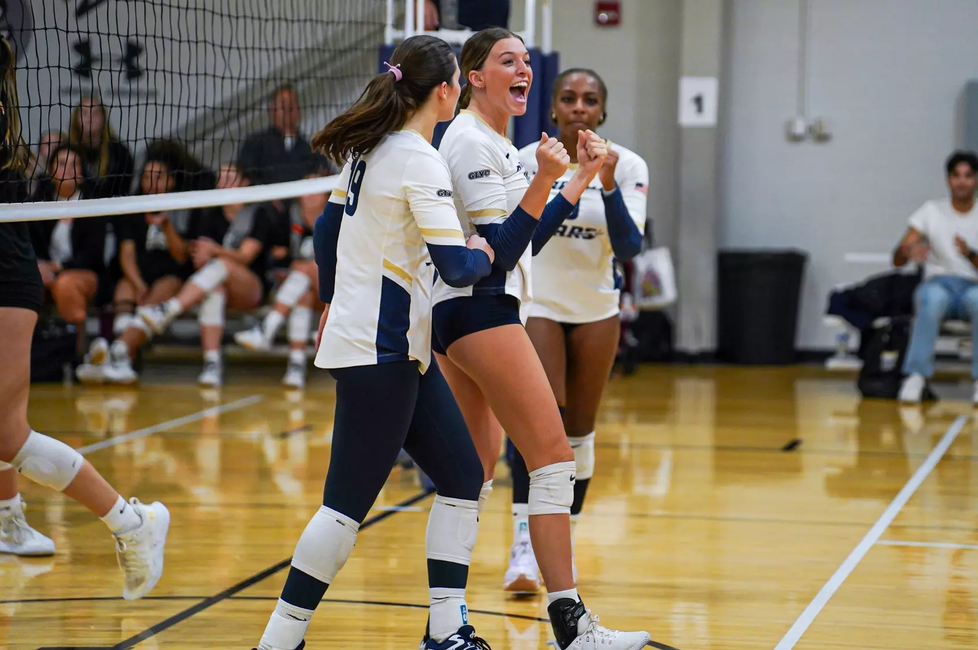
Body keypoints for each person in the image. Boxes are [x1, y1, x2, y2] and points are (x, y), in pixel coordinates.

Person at [252, 34, 496, 650]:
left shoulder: (370, 147)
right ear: (446, 92)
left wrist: (332, 290)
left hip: (392, 348)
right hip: (381, 351)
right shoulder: (419, 158)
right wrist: (484, 252)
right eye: (459, 86)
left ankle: (447, 632)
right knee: (344, 507)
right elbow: (455, 266)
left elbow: (328, 226)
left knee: (464, 477)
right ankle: (279, 640)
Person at [431, 27, 651, 650]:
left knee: (469, 476)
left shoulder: (496, 142)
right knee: (552, 460)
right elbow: (501, 254)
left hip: (476, 314)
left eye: (527, 60)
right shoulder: (474, 141)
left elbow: (522, 236)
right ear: (473, 77)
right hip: (484, 312)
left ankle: (444, 625)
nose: (522, 69)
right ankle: (572, 626)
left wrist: (578, 180)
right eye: (508, 61)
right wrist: (548, 180)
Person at [0, 35, 168, 600]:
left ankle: (132, 523)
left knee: (7, 432)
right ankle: (10, 520)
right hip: (14, 269)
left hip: (7, 275)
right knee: (1, 431)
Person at [507, 68, 648, 590]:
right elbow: (527, 237)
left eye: (590, 100)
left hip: (596, 309)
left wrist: (605, 181)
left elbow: (630, 248)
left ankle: (562, 535)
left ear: (603, 112)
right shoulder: (527, 162)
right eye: (569, 99)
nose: (579, 108)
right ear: (553, 110)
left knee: (579, 432)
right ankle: (523, 547)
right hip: (539, 302)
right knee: (542, 423)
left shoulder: (628, 165)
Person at [137, 163, 272, 387]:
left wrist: (215, 251)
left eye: (229, 178)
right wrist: (203, 256)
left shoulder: (257, 213)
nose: (222, 184)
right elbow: (200, 259)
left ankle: (170, 309)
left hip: (251, 288)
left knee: (225, 264)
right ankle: (212, 364)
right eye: (220, 178)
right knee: (214, 290)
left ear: (244, 183)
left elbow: (245, 256)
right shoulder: (210, 215)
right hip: (221, 285)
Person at [76, 146, 199, 385]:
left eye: (158, 176)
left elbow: (182, 256)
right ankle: (121, 361)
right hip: (139, 273)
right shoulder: (132, 208)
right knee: (124, 285)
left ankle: (116, 351)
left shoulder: (183, 207)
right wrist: (139, 284)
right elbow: (126, 255)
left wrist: (166, 226)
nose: (151, 182)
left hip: (170, 274)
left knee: (166, 286)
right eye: (146, 177)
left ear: (171, 181)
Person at [895, 150, 978, 403]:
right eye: (956, 176)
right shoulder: (931, 211)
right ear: (948, 180)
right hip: (938, 284)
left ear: (976, 180)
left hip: (973, 286)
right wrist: (909, 249)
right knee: (930, 301)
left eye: (968, 176)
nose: (962, 181)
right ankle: (916, 376)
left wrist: (970, 254)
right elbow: (898, 259)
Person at [235, 179, 329, 389]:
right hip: (303, 289)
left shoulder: (335, 221)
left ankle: (267, 328)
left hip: (334, 293)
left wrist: (300, 264)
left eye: (316, 191)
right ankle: (296, 368)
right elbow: (277, 258)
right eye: (306, 191)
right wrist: (290, 263)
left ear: (326, 195)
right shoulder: (289, 218)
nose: (310, 196)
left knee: (306, 268)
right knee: (301, 293)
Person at [30, 144, 108, 355]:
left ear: (82, 172)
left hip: (84, 273)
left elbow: (93, 254)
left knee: (66, 285)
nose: (70, 169)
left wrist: (59, 267)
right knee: (22, 281)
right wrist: (39, 265)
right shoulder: (39, 200)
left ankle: (76, 354)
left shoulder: (92, 202)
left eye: (75, 164)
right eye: (63, 164)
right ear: (52, 170)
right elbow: (30, 243)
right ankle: (29, 354)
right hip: (45, 271)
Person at [68, 95, 135, 198]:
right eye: (84, 113)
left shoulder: (119, 152)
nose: (89, 118)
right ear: (76, 118)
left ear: (103, 118)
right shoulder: (68, 152)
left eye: (95, 113)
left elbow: (124, 189)